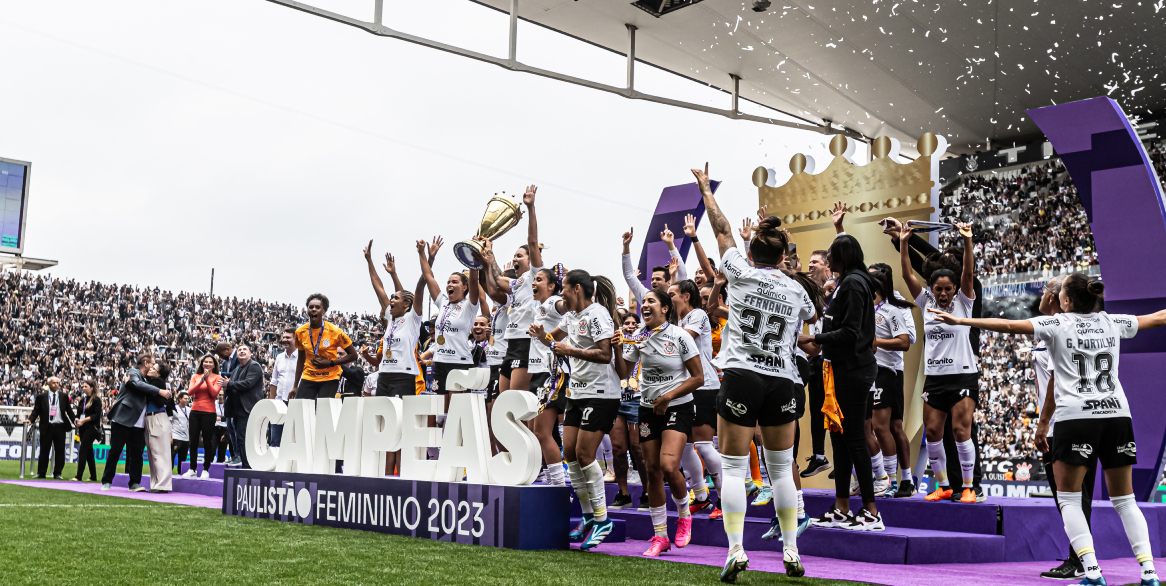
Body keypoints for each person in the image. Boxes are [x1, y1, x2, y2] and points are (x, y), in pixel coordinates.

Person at [930, 273, 1166, 586]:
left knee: (1069, 500)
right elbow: (1158, 317)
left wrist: (963, 322)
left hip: (1075, 418)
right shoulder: (1112, 321)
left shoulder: (1057, 324)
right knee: (1125, 501)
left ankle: (1093, 572)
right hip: (1116, 416)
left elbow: (1011, 326)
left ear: (1065, 301)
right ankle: (1149, 573)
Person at [691, 162, 814, 580]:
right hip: (783, 379)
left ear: (751, 253)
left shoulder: (739, 272)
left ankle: (736, 550)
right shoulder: (797, 289)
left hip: (743, 374)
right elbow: (808, 316)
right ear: (783, 255)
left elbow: (722, 228)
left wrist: (707, 189)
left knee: (732, 467)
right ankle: (792, 551)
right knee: (781, 468)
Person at [884, 217, 986, 499]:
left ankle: (968, 487)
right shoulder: (926, 300)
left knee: (961, 431)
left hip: (962, 374)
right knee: (933, 433)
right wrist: (903, 242)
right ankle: (944, 486)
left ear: (956, 288)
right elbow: (907, 274)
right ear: (932, 288)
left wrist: (967, 239)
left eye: (947, 289)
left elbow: (967, 271)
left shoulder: (966, 299)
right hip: (935, 378)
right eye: (937, 289)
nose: (942, 293)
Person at [530, 269, 620, 551]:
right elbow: (553, 341)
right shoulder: (570, 316)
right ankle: (587, 517)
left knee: (584, 454)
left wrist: (568, 350)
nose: (561, 295)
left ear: (577, 289)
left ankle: (603, 519)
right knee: (570, 453)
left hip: (602, 393)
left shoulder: (597, 314)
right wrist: (541, 336)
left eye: (564, 290)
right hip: (577, 393)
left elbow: (605, 355)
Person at [613, 289, 704, 556]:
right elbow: (623, 372)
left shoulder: (680, 336)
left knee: (667, 465)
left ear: (665, 308)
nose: (645, 305)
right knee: (652, 470)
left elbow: (697, 378)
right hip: (647, 409)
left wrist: (668, 396)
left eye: (651, 301)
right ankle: (660, 536)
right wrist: (619, 349)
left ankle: (685, 514)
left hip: (678, 406)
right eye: (644, 302)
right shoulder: (638, 336)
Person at [1031, 275, 1097, 581]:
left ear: (1056, 298)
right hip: (1084, 419)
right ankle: (1083, 558)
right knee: (1077, 498)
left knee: (1069, 500)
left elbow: (1056, 380)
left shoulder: (1059, 329)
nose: (1042, 295)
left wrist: (1043, 424)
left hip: (1064, 423)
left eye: (1046, 290)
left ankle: (1080, 560)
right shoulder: (1069, 326)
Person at [678, 213, 726, 519]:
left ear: (685, 296)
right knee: (683, 446)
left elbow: (681, 340)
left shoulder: (695, 316)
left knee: (705, 445)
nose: (666, 299)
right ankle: (701, 494)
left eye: (670, 295)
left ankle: (724, 498)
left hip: (705, 386)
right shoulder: (679, 320)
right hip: (686, 389)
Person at [478, 185, 541, 397]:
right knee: (503, 405)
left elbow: (532, 241)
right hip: (510, 345)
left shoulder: (535, 275)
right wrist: (489, 258)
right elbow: (496, 282)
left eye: (520, 256)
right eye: (514, 256)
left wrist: (531, 208)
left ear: (531, 259)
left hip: (526, 343)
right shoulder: (519, 283)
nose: (515, 259)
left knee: (516, 404)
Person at [867, 265, 918, 498]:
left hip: (888, 371)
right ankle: (885, 479)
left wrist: (876, 342)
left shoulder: (892, 309)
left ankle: (893, 480)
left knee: (885, 426)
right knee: (870, 427)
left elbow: (907, 341)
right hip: (867, 373)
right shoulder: (866, 309)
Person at [523, 264, 569, 486]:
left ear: (551, 287)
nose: (534, 282)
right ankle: (552, 478)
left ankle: (559, 485)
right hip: (539, 374)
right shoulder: (538, 305)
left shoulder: (551, 302)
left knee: (541, 432)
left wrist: (567, 294)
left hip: (551, 373)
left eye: (539, 280)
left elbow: (564, 307)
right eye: (534, 279)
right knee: (535, 431)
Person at [102, 354, 170, 491]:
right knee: (115, 451)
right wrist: (160, 391)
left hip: (139, 422)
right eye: (152, 363)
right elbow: (138, 385)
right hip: (123, 418)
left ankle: (134, 483)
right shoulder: (133, 372)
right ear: (146, 363)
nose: (152, 366)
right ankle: (107, 481)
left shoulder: (148, 381)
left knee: (137, 454)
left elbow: (140, 387)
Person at [800, 248, 833, 479]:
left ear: (827, 265)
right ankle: (819, 456)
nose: (810, 266)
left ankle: (844, 460)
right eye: (809, 262)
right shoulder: (811, 291)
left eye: (815, 262)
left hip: (833, 355)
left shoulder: (837, 288)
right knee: (816, 409)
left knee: (835, 409)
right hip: (815, 355)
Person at [611, 312, 648, 510]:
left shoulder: (644, 340)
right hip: (616, 399)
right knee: (618, 449)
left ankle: (648, 492)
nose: (631, 326)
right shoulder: (614, 342)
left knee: (638, 449)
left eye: (635, 323)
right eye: (627, 323)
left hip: (638, 399)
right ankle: (623, 493)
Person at [293, 293, 358, 402]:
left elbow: (354, 355)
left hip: (330, 377)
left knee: (324, 411)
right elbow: (300, 360)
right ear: (307, 310)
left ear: (324, 311)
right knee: (300, 409)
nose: (314, 309)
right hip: (309, 376)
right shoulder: (300, 332)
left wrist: (331, 363)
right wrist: (295, 386)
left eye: (317, 307)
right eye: (311, 307)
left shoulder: (335, 331)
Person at [621, 223, 687, 311]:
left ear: (669, 283)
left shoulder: (674, 299)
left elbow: (682, 273)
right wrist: (626, 246)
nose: (654, 282)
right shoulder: (647, 296)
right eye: (653, 279)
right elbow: (629, 276)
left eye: (658, 279)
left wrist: (670, 245)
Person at [223, 344, 265, 469]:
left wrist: (229, 384)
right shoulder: (235, 370)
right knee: (238, 438)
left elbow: (247, 383)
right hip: (236, 409)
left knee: (243, 438)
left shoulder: (254, 366)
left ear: (250, 353)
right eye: (239, 350)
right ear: (236, 355)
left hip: (248, 409)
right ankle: (245, 465)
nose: (241, 351)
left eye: (244, 349)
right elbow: (230, 386)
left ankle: (248, 467)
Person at [26, 376, 76, 480]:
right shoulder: (41, 397)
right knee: (44, 450)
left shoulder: (63, 396)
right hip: (46, 426)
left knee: (60, 450)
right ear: (49, 384)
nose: (56, 384)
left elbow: (69, 411)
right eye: (54, 383)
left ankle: (57, 473)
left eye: (57, 383)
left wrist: (75, 420)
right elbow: (36, 410)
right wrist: (31, 419)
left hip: (60, 427)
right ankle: (41, 473)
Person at [185, 354, 223, 479]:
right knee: (193, 441)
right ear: (202, 364)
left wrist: (206, 379)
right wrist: (201, 380)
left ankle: (206, 469)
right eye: (205, 362)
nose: (207, 364)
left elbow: (213, 393)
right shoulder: (196, 376)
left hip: (209, 412)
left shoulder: (217, 377)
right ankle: (192, 468)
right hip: (195, 411)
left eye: (210, 362)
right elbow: (190, 392)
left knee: (207, 441)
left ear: (214, 365)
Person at [143, 361, 175, 493]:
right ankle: (156, 484)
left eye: (154, 368)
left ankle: (163, 485)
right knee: (153, 454)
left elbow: (147, 392)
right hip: (151, 417)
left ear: (159, 373)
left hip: (157, 417)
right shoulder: (152, 383)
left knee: (160, 454)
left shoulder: (159, 382)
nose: (150, 368)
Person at [267, 328, 298, 448]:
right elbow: (274, 381)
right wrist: (272, 402)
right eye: (283, 337)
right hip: (279, 403)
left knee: (292, 439)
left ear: (296, 340)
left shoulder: (303, 357)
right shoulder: (279, 357)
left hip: (295, 403)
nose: (284, 340)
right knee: (275, 440)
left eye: (288, 338)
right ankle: (275, 466)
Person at [71, 379, 102, 482]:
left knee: (83, 450)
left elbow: (97, 415)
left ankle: (78, 476)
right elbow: (78, 413)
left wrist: (83, 420)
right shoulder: (83, 400)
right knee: (89, 453)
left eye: (85, 386)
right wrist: (76, 419)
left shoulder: (96, 400)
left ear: (91, 388)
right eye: (83, 386)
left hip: (91, 428)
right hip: (83, 427)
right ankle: (93, 476)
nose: (83, 388)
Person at [171, 392, 191, 476]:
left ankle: (179, 475)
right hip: (176, 437)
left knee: (182, 459)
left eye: (188, 398)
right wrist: (170, 436)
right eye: (185, 398)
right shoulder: (174, 409)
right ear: (180, 399)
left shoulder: (189, 410)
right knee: (171, 457)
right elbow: (169, 422)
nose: (187, 400)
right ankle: (168, 475)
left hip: (186, 438)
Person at [214, 390, 230, 463]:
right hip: (214, 429)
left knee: (222, 451)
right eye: (219, 395)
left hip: (224, 429)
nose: (221, 397)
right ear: (217, 396)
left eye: (222, 395)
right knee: (212, 448)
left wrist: (219, 418)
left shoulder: (227, 405)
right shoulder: (213, 404)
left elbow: (228, 417)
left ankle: (219, 470)